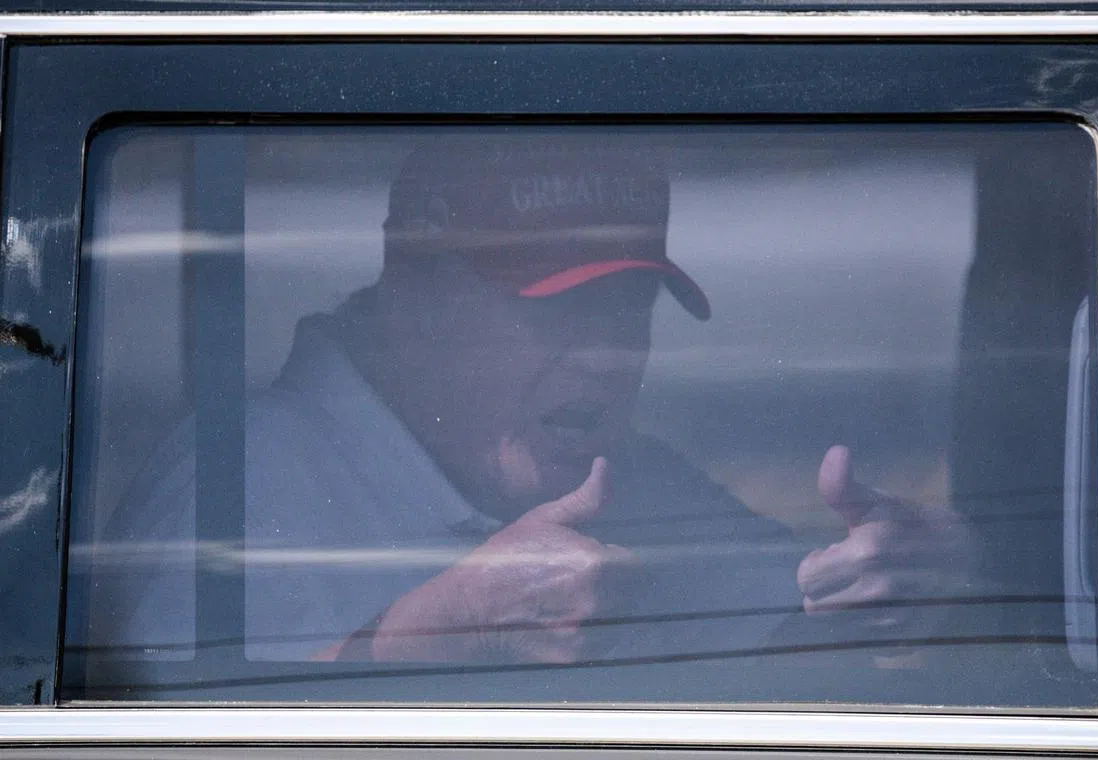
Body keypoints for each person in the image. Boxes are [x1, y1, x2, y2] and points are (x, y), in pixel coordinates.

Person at [94, 136, 975, 697]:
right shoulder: (226, 496)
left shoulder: (633, 483)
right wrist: (446, 632)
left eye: (630, 308)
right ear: (413, 292)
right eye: (554, 306)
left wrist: (907, 590)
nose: (605, 354)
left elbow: (798, 618)